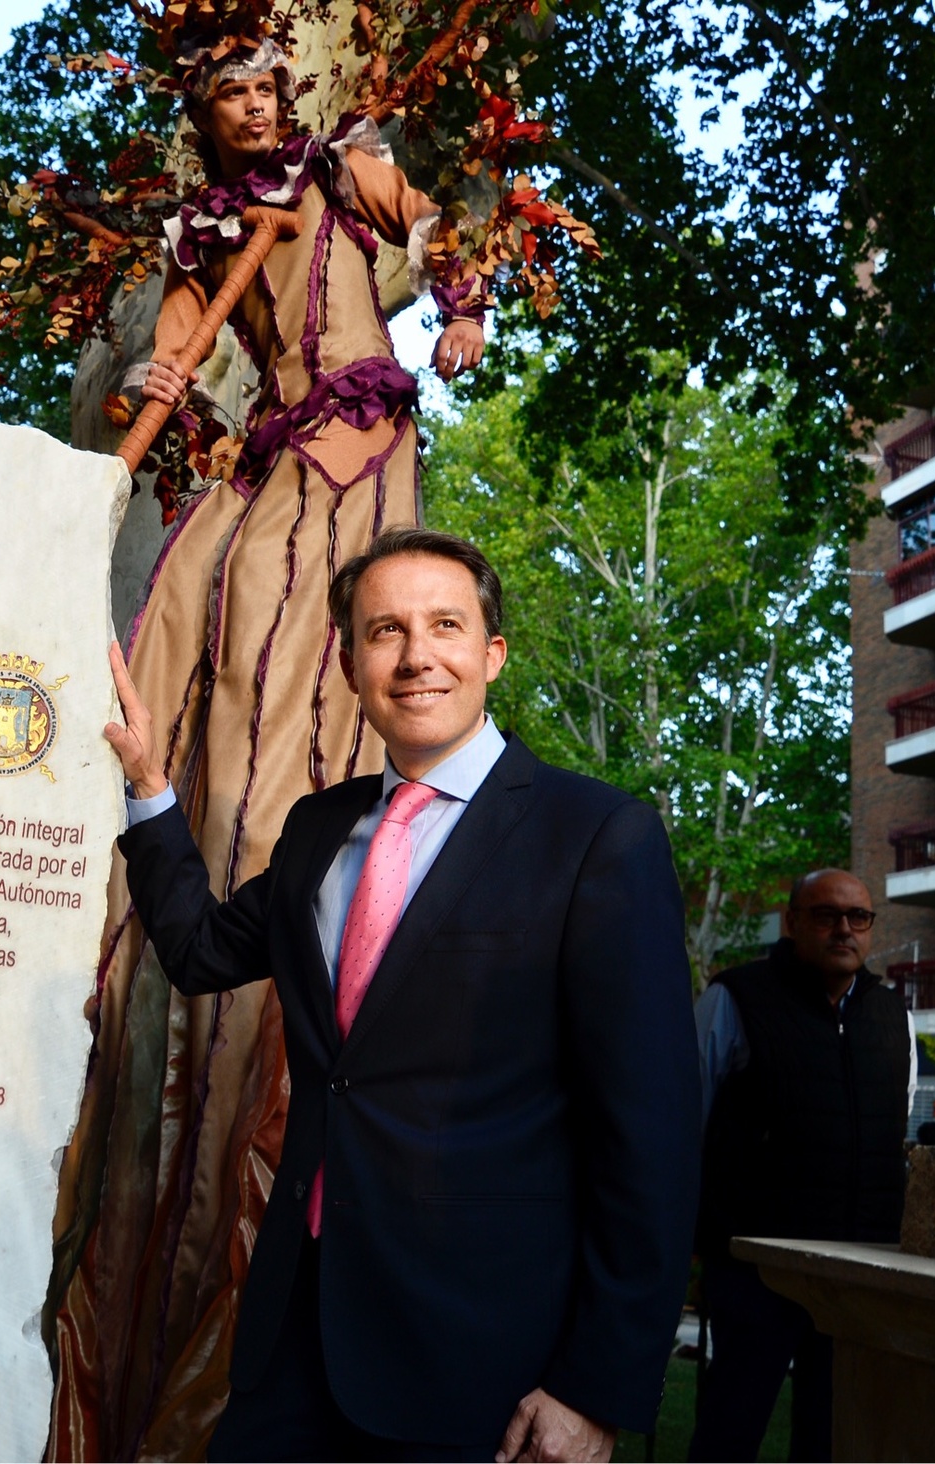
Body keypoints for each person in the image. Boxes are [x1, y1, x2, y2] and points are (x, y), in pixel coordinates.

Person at [52, 38, 492, 1444]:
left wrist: (464, 307)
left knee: (337, 637)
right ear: (203, 120)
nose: (251, 107)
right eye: (226, 97)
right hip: (280, 455)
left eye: (262, 89)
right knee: (216, 619)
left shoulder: (343, 159)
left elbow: (431, 223)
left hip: (366, 454)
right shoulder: (200, 226)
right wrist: (151, 396)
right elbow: (182, 350)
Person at [102, 527, 701, 1460]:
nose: (417, 655)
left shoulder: (597, 838)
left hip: (477, 1365)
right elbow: (199, 950)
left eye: (446, 626)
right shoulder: (316, 829)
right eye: (385, 631)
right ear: (349, 662)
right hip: (293, 1340)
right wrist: (148, 791)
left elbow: (651, 1140)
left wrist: (596, 1385)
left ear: (491, 654)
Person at [687, 871, 913, 1464]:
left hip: (859, 1269)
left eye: (858, 917)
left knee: (832, 1435)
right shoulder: (734, 999)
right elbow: (685, 1123)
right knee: (729, 1429)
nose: (844, 929)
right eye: (825, 915)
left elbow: (896, 1128)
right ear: (791, 923)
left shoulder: (893, 1015)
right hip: (755, 1268)